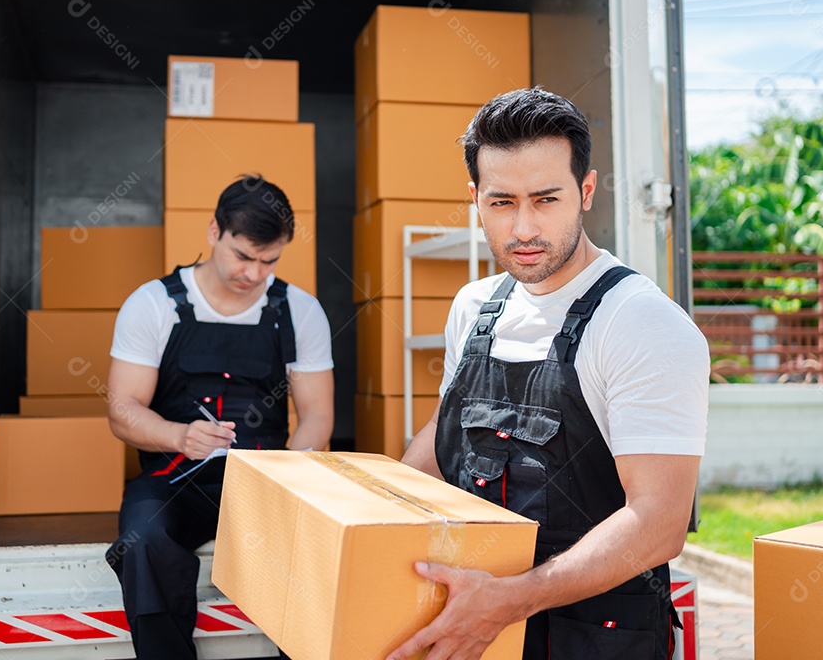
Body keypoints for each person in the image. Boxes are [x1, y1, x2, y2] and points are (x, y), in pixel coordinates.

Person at [391, 88, 709, 660]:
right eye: (501, 203)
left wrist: (509, 600)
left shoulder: (640, 322)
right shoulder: (473, 307)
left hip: (595, 638)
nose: (523, 230)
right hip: (479, 625)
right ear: (474, 199)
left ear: (585, 191)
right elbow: (439, 451)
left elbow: (659, 523)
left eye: (546, 199)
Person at [104, 175, 334, 660]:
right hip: (176, 478)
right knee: (142, 539)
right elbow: (122, 411)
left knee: (320, 547)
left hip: (266, 481)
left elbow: (316, 417)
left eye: (269, 261)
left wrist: (290, 476)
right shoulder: (154, 304)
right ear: (214, 231)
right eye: (243, 256)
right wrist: (179, 435)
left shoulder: (299, 311)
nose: (253, 273)